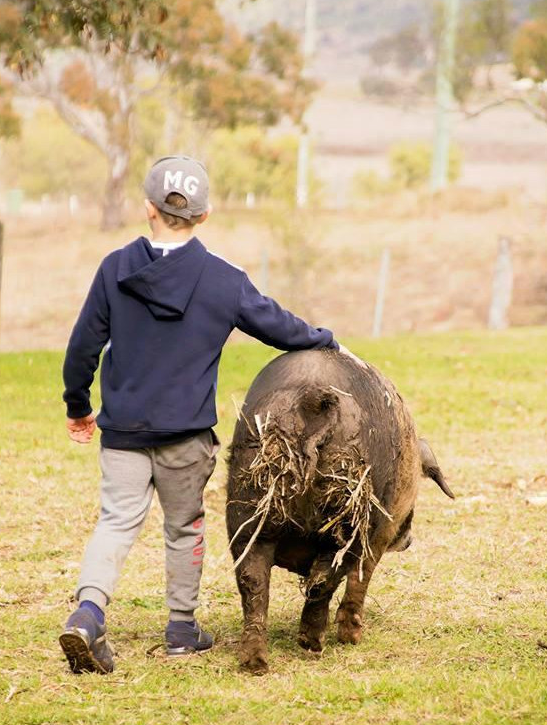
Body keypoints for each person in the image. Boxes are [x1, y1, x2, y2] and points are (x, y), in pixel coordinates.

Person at [59, 155, 349, 674]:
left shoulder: (114, 269)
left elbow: (83, 347)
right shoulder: (223, 280)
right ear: (205, 215)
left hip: (122, 431)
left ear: (147, 209)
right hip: (186, 438)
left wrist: (78, 405)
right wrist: (325, 340)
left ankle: (87, 613)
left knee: (116, 522)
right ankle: (180, 630)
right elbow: (278, 326)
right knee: (184, 527)